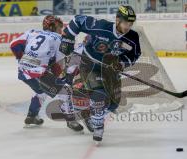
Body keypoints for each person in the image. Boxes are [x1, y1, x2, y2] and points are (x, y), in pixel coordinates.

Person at [59, 5, 141, 143]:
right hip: (89, 64)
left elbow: (135, 54)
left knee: (113, 104)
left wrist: (121, 63)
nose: (128, 26)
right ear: (117, 19)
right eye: (126, 22)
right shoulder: (101, 26)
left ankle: (88, 114)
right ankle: (98, 125)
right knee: (99, 94)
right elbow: (78, 20)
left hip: (109, 70)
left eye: (131, 23)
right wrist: (68, 39)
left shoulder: (132, 36)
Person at [9, 15, 84, 132]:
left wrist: (24, 59)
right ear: (52, 26)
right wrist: (65, 80)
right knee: (65, 91)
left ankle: (32, 116)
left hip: (23, 71)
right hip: (39, 72)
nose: (61, 30)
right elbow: (59, 66)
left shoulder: (32, 32)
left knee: (41, 91)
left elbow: (13, 45)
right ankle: (71, 120)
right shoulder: (59, 38)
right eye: (59, 27)